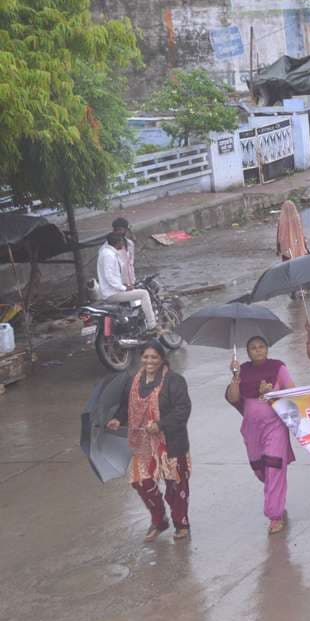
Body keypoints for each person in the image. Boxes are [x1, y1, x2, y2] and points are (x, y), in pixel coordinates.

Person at [106, 341, 192, 542]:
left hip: (171, 443)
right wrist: (118, 419)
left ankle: (181, 524)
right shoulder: (133, 382)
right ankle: (159, 520)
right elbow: (125, 407)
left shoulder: (174, 380)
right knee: (141, 482)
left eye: (154, 357)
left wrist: (160, 425)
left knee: (176, 487)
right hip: (143, 443)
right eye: (146, 357)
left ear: (162, 359)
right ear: (140, 358)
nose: (149, 361)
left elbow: (183, 410)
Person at [226, 336, 295, 535]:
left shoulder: (277, 368)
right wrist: (235, 376)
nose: (258, 350)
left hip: (275, 425)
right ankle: (277, 493)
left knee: (274, 465)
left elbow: (293, 391)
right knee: (260, 468)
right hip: (252, 428)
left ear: (267, 349)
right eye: (253, 348)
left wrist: (272, 392)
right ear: (247, 352)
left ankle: (275, 515)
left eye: (261, 347)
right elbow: (233, 398)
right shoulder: (243, 370)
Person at [97, 232, 157, 331]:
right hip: (112, 294)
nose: (123, 244)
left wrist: (124, 285)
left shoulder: (106, 252)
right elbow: (109, 277)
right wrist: (124, 287)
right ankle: (152, 325)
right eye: (122, 242)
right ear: (118, 242)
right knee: (144, 294)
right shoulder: (109, 255)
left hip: (112, 290)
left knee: (134, 295)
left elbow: (113, 276)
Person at [112, 217, 137, 282]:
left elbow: (131, 263)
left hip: (130, 280)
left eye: (120, 230)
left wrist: (133, 280)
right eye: (116, 230)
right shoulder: (109, 247)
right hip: (118, 282)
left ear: (126, 230)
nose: (118, 232)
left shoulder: (130, 244)